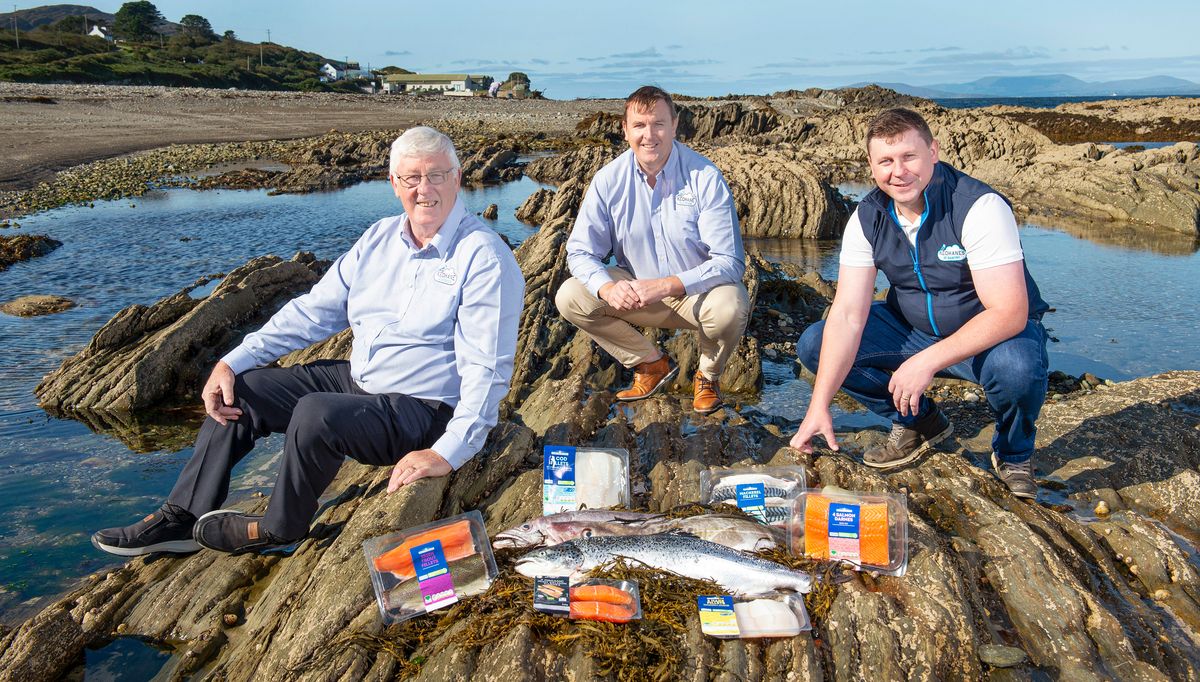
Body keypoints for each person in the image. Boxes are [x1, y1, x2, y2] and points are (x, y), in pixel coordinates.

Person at [92, 126, 525, 555]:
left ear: (458, 177)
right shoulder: (379, 239)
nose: (424, 189)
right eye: (412, 177)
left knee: (316, 412)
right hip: (363, 384)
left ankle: (281, 526)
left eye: (437, 175)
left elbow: (486, 370)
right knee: (245, 388)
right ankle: (184, 517)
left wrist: (448, 452)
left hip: (425, 410)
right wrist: (231, 361)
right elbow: (314, 312)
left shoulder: (483, 257)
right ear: (394, 184)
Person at [789, 108, 1049, 499]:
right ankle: (919, 422)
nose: (899, 171)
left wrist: (925, 362)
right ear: (872, 167)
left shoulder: (978, 206)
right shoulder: (868, 216)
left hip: (988, 337)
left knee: (1018, 369)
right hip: (911, 331)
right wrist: (818, 405)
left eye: (909, 157)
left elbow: (1010, 312)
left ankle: (1013, 454)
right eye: (886, 161)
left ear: (933, 152)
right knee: (815, 343)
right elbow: (846, 314)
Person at [555, 85, 749, 414]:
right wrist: (607, 287)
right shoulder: (607, 181)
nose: (650, 135)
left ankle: (708, 375)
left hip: (696, 298)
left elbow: (729, 262)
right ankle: (651, 364)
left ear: (674, 125)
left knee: (732, 305)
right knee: (570, 296)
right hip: (637, 293)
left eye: (658, 124)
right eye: (640, 125)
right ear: (625, 130)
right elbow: (581, 252)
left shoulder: (705, 177)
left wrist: (667, 285)